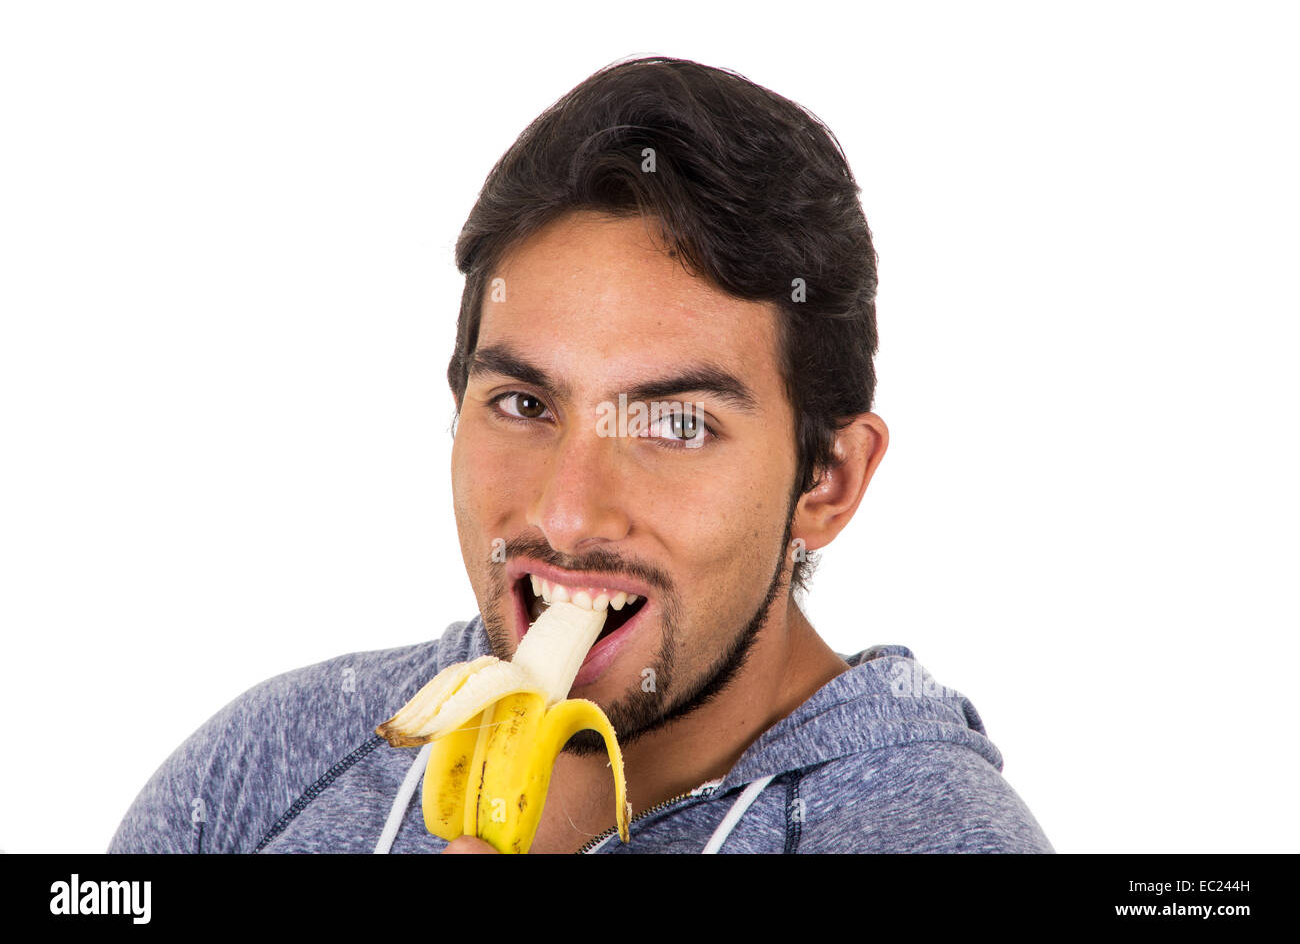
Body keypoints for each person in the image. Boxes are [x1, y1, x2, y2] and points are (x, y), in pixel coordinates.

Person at [109, 56, 1053, 854]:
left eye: (675, 424)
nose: (565, 514)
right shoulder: (263, 776)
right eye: (522, 403)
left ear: (829, 480)